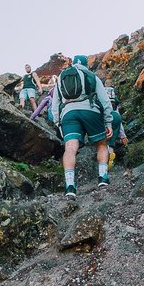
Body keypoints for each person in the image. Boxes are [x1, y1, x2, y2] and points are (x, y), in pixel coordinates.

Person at [50, 55, 113, 199]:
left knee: (70, 148)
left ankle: (70, 186)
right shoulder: (91, 76)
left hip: (69, 114)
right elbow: (104, 100)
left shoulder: (62, 77)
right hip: (90, 110)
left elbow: (55, 104)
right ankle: (103, 178)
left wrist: (58, 123)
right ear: (86, 65)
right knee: (101, 144)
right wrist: (108, 122)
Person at [105, 87, 128, 169]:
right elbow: (117, 114)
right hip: (116, 117)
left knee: (103, 137)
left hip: (104, 116)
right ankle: (110, 152)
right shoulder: (113, 97)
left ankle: (105, 156)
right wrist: (123, 135)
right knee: (112, 137)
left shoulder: (98, 93)